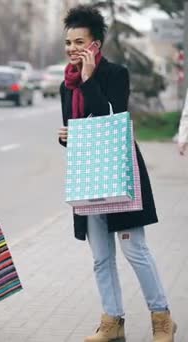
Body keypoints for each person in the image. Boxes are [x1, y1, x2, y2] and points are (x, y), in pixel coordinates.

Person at [57, 6, 177, 342]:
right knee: (100, 257)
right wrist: (65, 136)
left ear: (96, 44)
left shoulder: (115, 74)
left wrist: (89, 78)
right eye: (67, 42)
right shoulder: (65, 85)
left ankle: (162, 318)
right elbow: (76, 131)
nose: (71, 49)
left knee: (134, 249)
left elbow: (111, 117)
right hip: (87, 176)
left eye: (78, 41)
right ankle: (112, 322)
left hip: (119, 172)